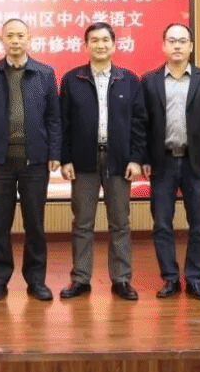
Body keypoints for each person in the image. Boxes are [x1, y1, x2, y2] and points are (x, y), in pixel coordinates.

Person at [58, 22, 146, 301]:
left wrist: (136, 158)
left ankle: (121, 279)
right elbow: (63, 123)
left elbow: (139, 124)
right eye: (94, 40)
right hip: (83, 159)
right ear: (86, 46)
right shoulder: (72, 79)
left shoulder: (129, 80)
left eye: (105, 40)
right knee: (82, 222)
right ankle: (80, 278)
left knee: (120, 222)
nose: (100, 45)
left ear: (114, 44)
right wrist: (65, 159)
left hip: (119, 160)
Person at [0, 18, 61, 302]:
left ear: (29, 38)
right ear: (1, 39)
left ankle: (36, 280)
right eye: (9, 35)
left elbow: (54, 118)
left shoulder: (45, 73)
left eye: (20, 35)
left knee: (34, 224)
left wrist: (54, 153)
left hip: (35, 161)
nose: (15, 40)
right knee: (0, 225)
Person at [142, 23, 200, 302]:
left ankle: (196, 279)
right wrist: (143, 158)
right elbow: (143, 124)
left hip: (196, 162)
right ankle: (170, 278)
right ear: (163, 45)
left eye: (182, 41)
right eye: (172, 40)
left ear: (191, 46)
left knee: (199, 225)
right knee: (162, 224)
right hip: (161, 162)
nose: (177, 45)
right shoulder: (149, 81)